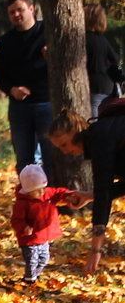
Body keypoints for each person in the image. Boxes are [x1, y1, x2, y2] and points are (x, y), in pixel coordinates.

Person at [49, 108, 125, 275]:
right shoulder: (101, 134)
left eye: (64, 144)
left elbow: (103, 193)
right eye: (60, 147)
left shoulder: (99, 139)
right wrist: (89, 196)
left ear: (74, 130)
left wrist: (96, 251)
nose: (65, 151)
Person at [0, 0, 52, 177]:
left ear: (32, 9)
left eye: (20, 9)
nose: (16, 15)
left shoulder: (48, 33)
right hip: (20, 107)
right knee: (24, 159)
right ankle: (28, 200)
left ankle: (52, 198)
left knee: (51, 157)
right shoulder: (6, 41)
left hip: (47, 103)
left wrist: (53, 59)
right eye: (12, 12)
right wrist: (12, 89)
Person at [10, 164, 73, 284]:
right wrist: (23, 228)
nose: (42, 192)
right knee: (32, 260)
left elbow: (57, 192)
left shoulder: (46, 194)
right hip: (30, 239)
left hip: (43, 237)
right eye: (37, 190)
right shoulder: (22, 203)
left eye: (43, 188)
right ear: (28, 191)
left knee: (44, 259)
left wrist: (67, 195)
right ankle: (30, 279)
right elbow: (16, 220)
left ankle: (34, 275)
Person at [84, 3, 122, 117]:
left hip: (94, 87)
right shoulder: (102, 39)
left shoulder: (84, 39)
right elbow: (115, 58)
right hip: (107, 86)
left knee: (93, 122)